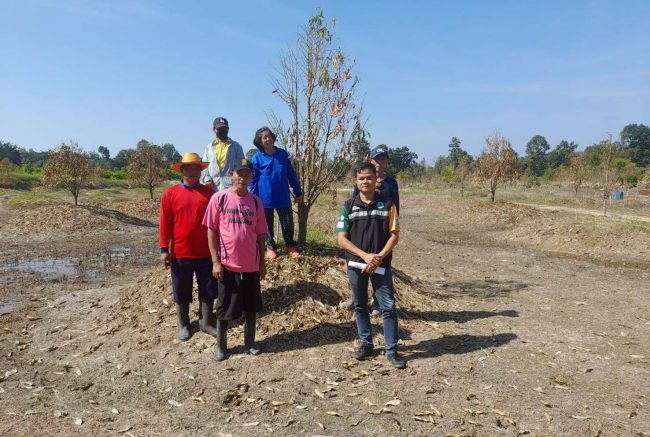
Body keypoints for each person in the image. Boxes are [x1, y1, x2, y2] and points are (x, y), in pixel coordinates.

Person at [337, 162, 406, 369]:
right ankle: (366, 344)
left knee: (388, 307)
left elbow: (394, 236)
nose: (365, 182)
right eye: (361, 178)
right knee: (360, 305)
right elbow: (342, 238)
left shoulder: (387, 205)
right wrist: (364, 256)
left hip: (381, 266)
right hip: (356, 265)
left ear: (376, 179)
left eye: (369, 178)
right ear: (356, 182)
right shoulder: (348, 206)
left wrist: (378, 258)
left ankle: (392, 350)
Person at [203, 159, 268, 361]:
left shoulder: (256, 202)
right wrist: (215, 261)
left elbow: (260, 235)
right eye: (239, 173)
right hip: (227, 264)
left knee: (251, 305)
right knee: (224, 306)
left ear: (251, 177)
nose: (242, 177)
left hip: (250, 264)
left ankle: (250, 342)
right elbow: (211, 231)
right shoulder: (219, 199)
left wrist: (262, 262)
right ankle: (221, 346)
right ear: (232, 175)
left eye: (246, 174)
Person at [160, 152, 218, 341]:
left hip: (206, 253)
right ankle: (183, 324)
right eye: (189, 168)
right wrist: (164, 249)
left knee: (208, 289)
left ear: (201, 171)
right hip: (181, 253)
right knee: (181, 290)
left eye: (197, 168)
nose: (193, 172)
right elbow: (165, 223)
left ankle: (206, 322)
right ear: (182, 171)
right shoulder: (170, 194)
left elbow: (218, 223)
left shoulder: (210, 194)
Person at [350, 145, 401, 315]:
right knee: (359, 265)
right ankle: (356, 298)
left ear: (386, 162)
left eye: (383, 159)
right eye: (376, 159)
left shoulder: (391, 183)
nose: (380, 162)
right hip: (362, 228)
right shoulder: (362, 180)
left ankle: (378, 302)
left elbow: (396, 208)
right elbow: (354, 203)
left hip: (382, 231)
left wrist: (392, 229)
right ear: (370, 160)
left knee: (382, 265)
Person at [249, 126, 303, 259]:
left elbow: (291, 174)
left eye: (269, 136)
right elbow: (253, 180)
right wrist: (254, 198)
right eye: (264, 138)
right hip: (264, 198)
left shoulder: (282, 154)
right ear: (260, 142)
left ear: (273, 137)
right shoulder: (257, 158)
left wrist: (298, 191)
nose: (268, 139)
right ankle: (270, 247)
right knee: (266, 223)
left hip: (282, 196)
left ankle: (290, 245)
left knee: (287, 222)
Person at [200, 117, 245, 191]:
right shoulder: (209, 147)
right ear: (214, 130)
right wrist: (207, 179)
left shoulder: (236, 147)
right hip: (212, 187)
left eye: (224, 128)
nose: (222, 131)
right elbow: (204, 166)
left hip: (231, 187)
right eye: (219, 129)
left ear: (228, 129)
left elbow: (242, 166)